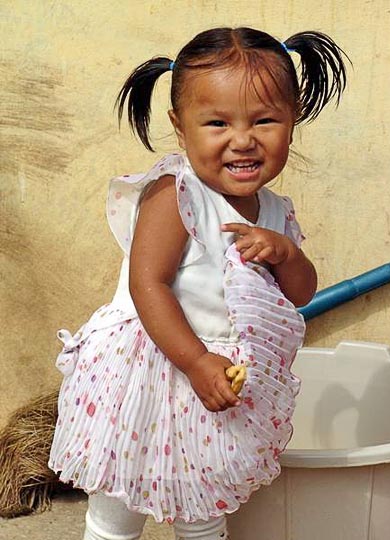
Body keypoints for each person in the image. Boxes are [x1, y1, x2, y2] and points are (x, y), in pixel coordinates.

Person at [48, 26, 348, 540]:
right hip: (150, 370)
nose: (243, 139)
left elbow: (299, 294)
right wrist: (195, 359)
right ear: (179, 126)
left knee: (204, 506)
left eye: (265, 120)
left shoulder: (274, 211)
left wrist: (288, 254)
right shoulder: (175, 193)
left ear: (292, 122)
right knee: (119, 506)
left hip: (216, 382)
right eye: (217, 123)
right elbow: (149, 286)